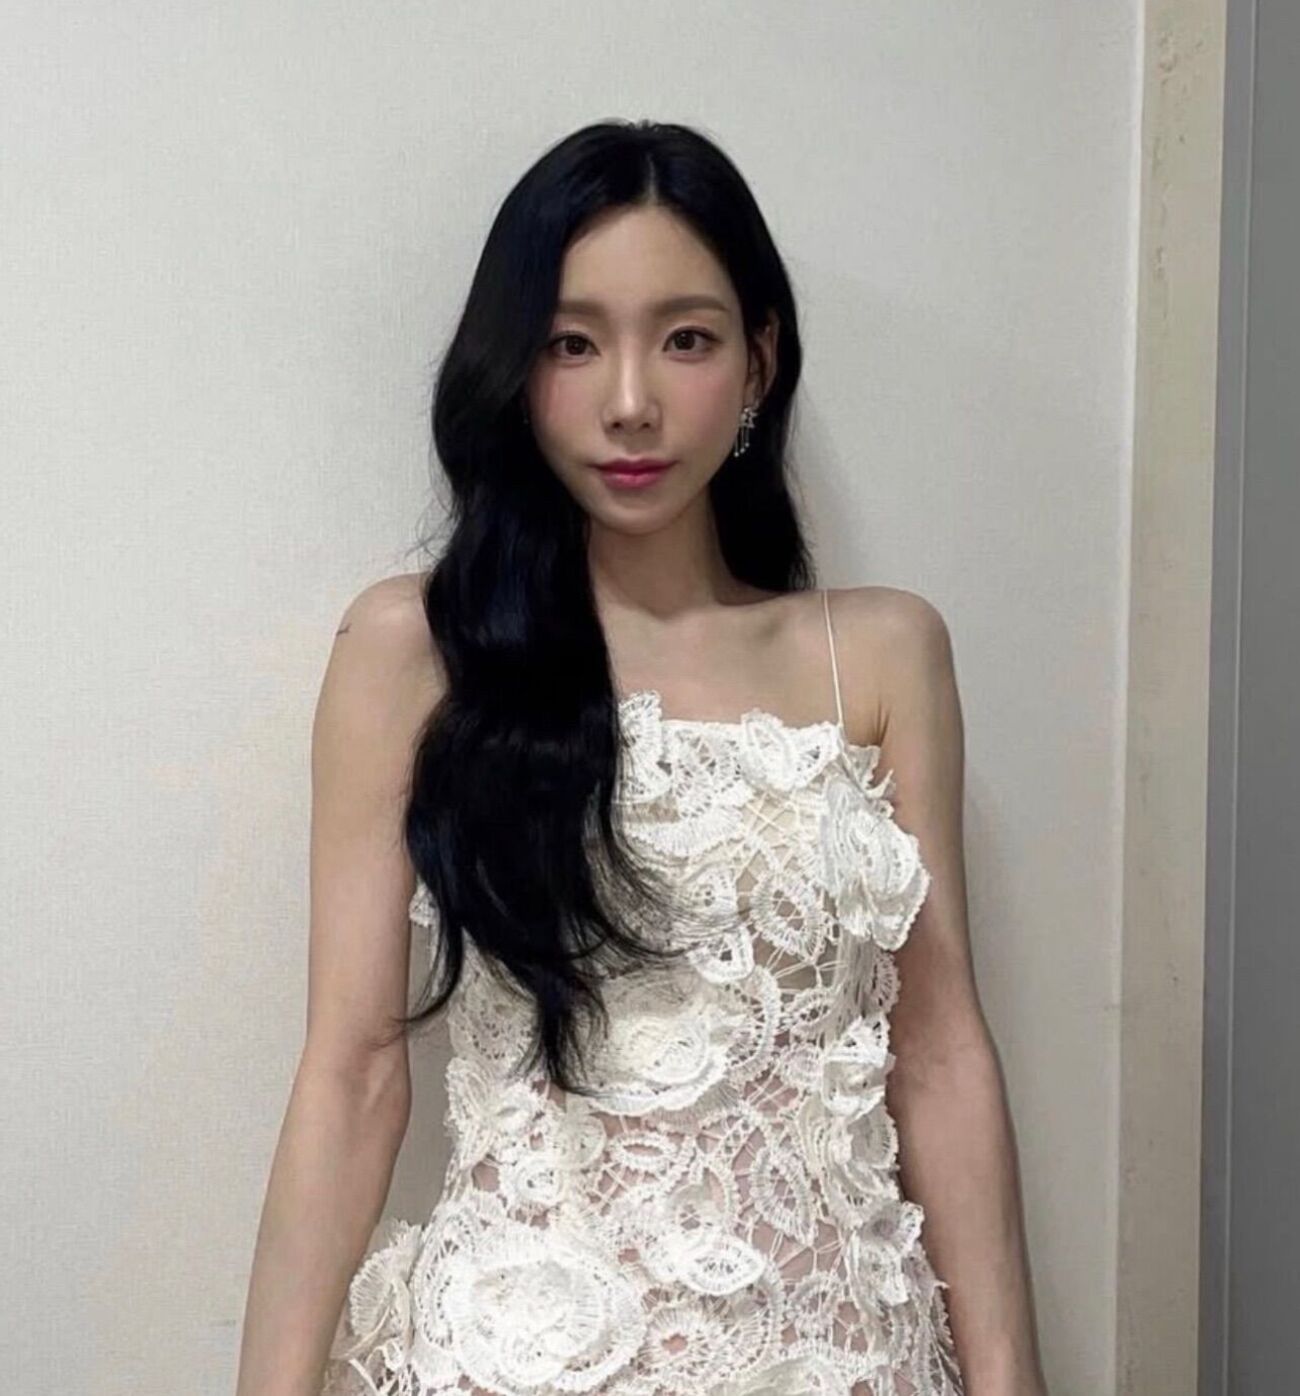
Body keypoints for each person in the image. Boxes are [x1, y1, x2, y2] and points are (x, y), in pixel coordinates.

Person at [236, 119, 1047, 1396]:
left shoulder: (882, 656)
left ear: (758, 359)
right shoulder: (419, 650)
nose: (629, 401)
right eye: (573, 342)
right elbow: (353, 1067)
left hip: (839, 1357)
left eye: (686, 339)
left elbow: (939, 1057)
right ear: (515, 368)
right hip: (523, 1359)